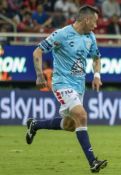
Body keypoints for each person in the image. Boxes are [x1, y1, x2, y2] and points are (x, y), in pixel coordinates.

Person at [26, 5, 108, 173]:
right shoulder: (62, 34)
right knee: (82, 115)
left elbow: (96, 58)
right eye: (94, 22)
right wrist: (40, 75)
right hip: (62, 83)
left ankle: (35, 125)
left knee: (71, 125)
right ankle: (93, 162)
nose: (96, 26)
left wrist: (97, 76)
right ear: (86, 19)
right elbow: (37, 52)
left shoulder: (90, 37)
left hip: (79, 86)